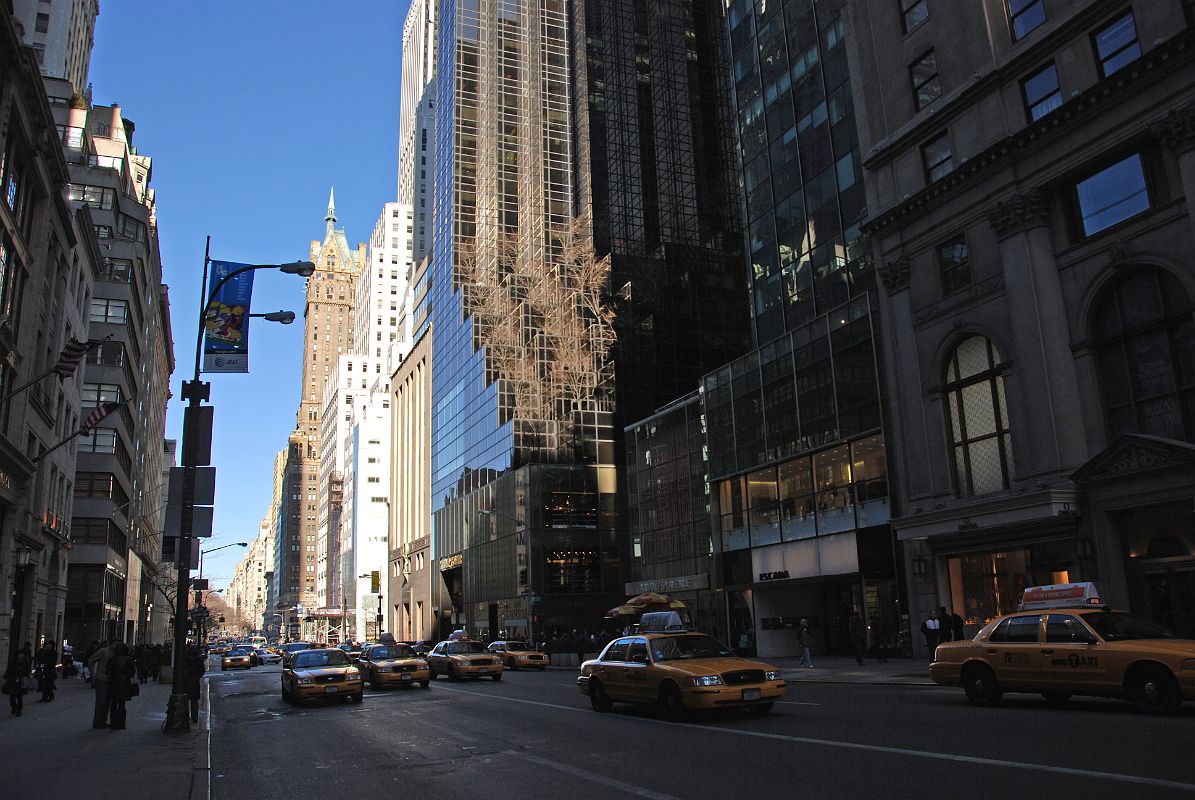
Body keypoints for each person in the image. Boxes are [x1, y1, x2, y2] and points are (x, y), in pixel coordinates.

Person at [106, 642, 136, 730]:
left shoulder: (112, 659)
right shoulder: (129, 660)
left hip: (113, 682)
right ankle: (121, 723)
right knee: (122, 704)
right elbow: (132, 672)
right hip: (124, 683)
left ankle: (113, 722)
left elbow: (108, 670)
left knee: (113, 703)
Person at [88, 641, 115, 728]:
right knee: (101, 701)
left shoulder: (117, 653)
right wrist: (92, 674)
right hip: (101, 678)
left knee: (107, 701)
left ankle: (103, 721)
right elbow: (91, 660)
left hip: (110, 680)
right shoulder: (103, 651)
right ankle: (97, 722)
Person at [3, 645, 33, 716]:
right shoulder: (13, 662)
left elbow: (28, 672)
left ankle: (19, 710)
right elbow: (9, 670)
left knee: (19, 696)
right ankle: (14, 707)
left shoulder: (25, 663)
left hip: (22, 680)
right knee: (12, 697)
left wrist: (23, 673)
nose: (20, 655)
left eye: (22, 654)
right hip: (13, 681)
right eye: (19, 654)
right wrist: (6, 676)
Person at [183, 645, 205, 723]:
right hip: (195, 682)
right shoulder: (199, 660)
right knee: (194, 701)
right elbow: (202, 671)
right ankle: (194, 717)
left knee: (185, 701)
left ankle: (186, 717)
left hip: (185, 682)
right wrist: (197, 676)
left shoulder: (185, 659)